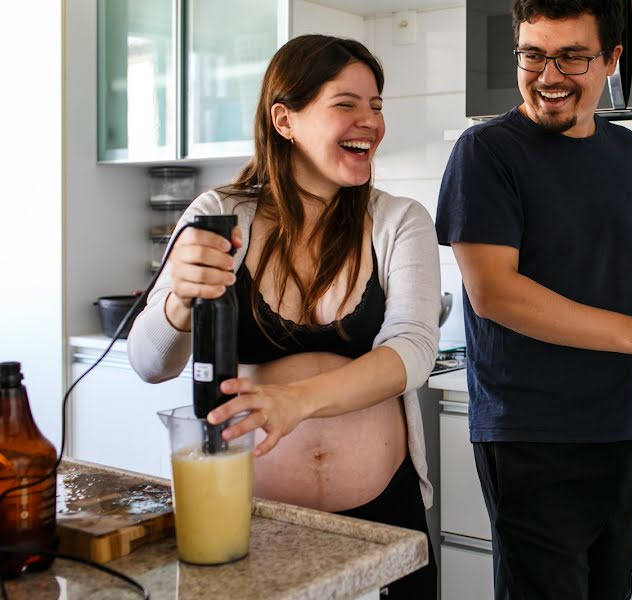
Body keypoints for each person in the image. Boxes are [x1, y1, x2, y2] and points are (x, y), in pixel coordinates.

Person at [434, 1, 632, 598]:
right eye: (533, 55)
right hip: (531, 431)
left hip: (620, 421)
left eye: (571, 57)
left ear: (611, 60)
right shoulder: (487, 151)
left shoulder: (625, 150)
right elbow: (493, 293)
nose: (548, 76)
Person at [128, 35, 440, 599]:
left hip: (385, 518)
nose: (369, 120)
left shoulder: (399, 220)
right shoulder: (217, 215)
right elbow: (150, 364)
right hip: (248, 519)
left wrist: (294, 403)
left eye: (377, 105)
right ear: (285, 119)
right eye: (346, 104)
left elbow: (414, 350)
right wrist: (177, 300)